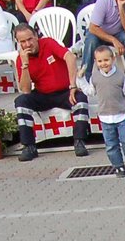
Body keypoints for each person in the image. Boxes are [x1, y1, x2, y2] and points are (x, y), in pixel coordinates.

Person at [11, 22, 89, 160]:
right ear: (18, 43)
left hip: (65, 91)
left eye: (30, 39)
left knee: (81, 99)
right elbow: (26, 89)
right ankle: (29, 146)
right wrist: (25, 65)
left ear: (36, 36)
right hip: (43, 94)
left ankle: (79, 141)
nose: (27, 44)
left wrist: (73, 86)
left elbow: (70, 57)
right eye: (23, 42)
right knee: (21, 101)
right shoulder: (21, 59)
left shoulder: (47, 43)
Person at [82, 43, 125, 176]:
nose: (104, 63)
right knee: (111, 145)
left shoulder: (120, 75)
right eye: (100, 61)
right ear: (95, 62)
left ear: (113, 59)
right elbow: (90, 91)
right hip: (105, 117)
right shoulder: (95, 77)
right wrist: (80, 80)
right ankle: (118, 165)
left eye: (106, 60)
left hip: (121, 115)